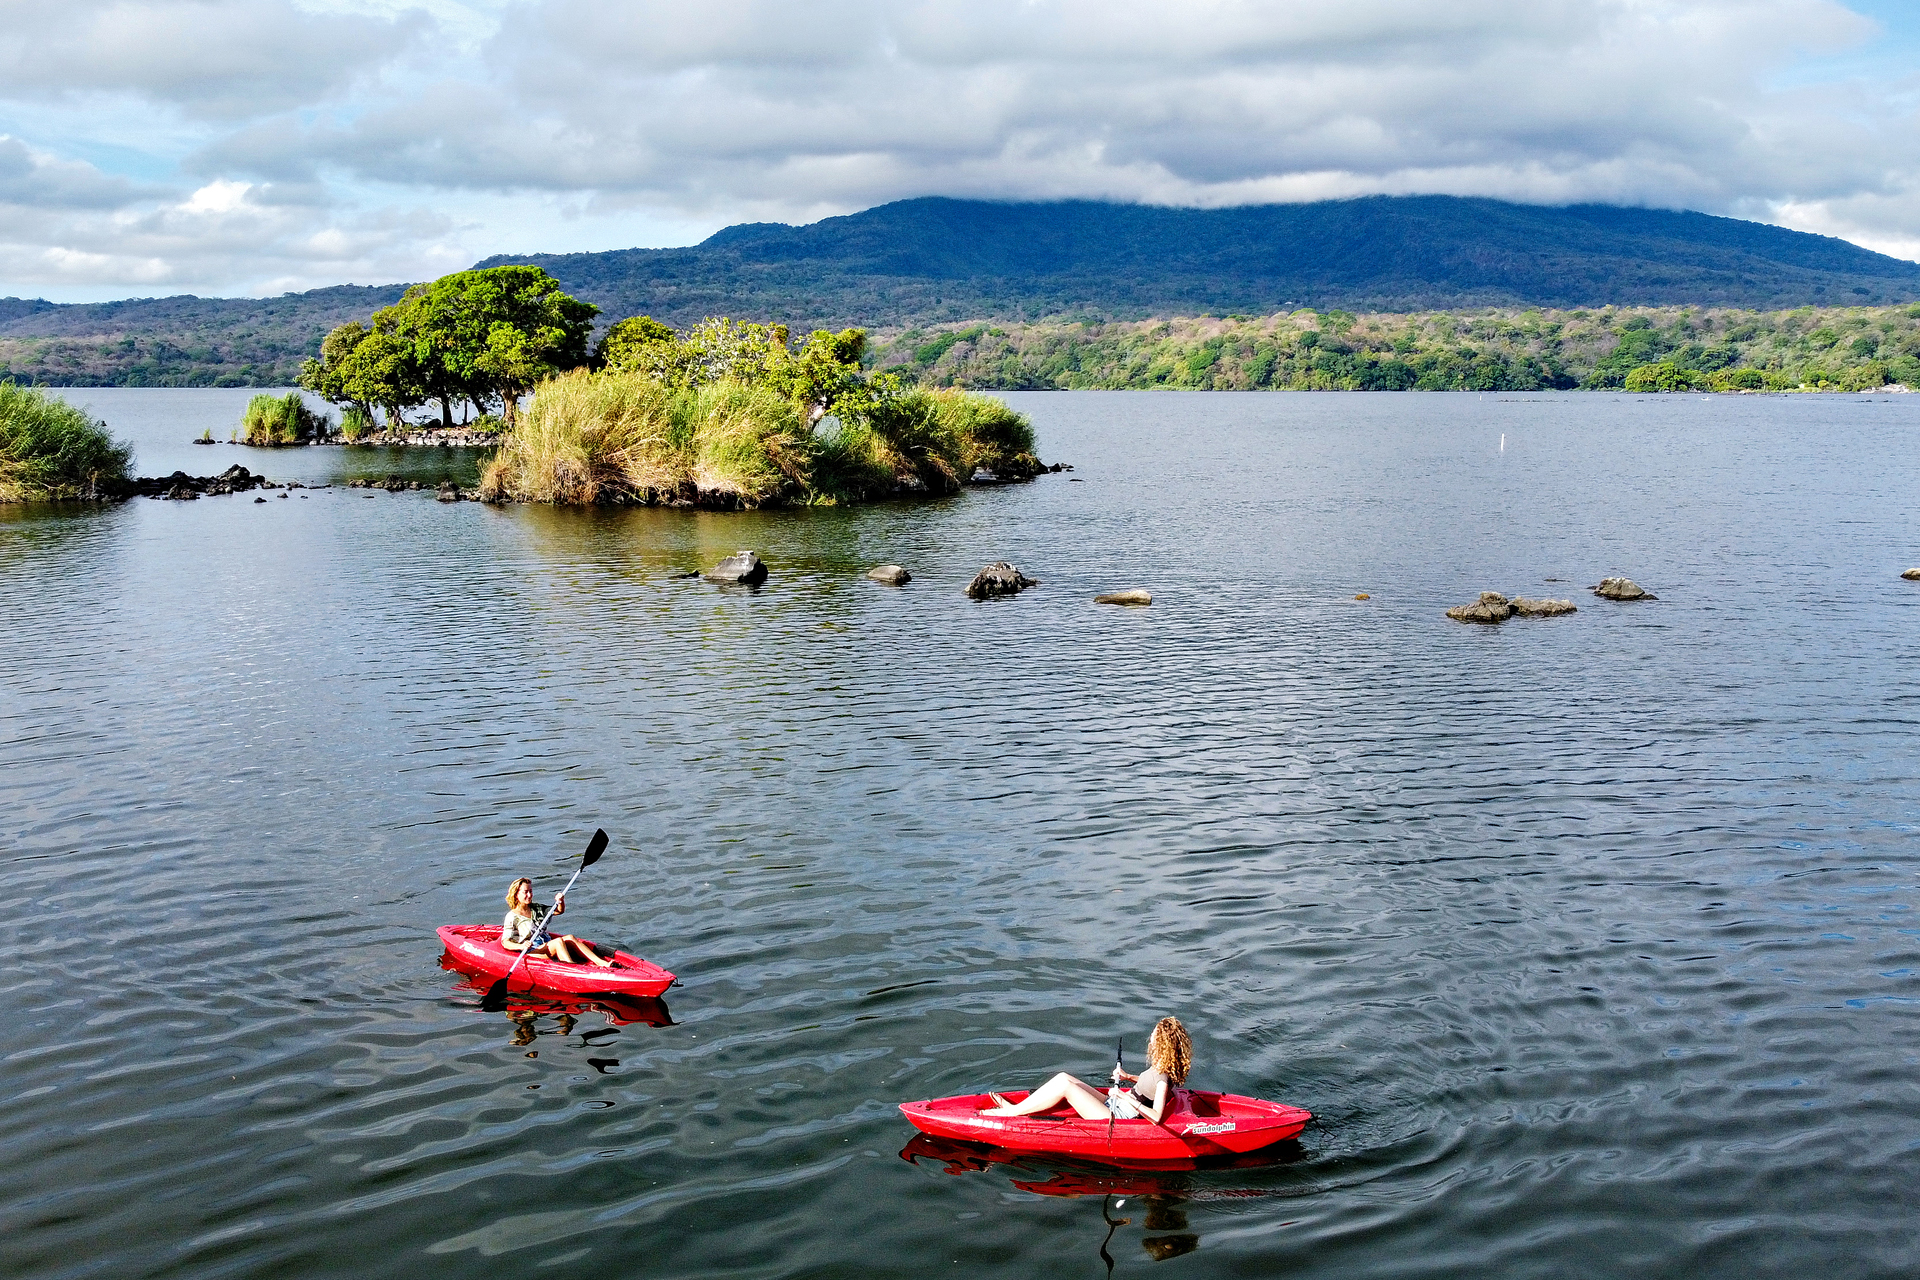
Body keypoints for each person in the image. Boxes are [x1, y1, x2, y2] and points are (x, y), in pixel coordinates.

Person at [981, 1016, 1192, 1122]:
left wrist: (1125, 1097)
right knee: (1064, 1077)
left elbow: (1155, 1116)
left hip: (1116, 1116)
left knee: (1065, 1086)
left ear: (1162, 1043)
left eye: (1155, 1036)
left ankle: (1010, 1112)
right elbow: (1149, 1087)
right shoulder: (1163, 1068)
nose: (1151, 1039)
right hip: (1116, 1102)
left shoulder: (1163, 1077)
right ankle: (1021, 1108)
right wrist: (1127, 1077)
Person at [501, 876, 615, 968]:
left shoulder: (536, 908)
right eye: (525, 892)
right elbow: (505, 942)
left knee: (569, 937)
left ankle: (601, 963)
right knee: (558, 942)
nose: (529, 895)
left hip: (545, 944)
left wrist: (560, 901)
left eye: (530, 891)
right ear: (516, 894)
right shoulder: (512, 916)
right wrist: (521, 946)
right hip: (531, 951)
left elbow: (558, 911)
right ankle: (572, 969)